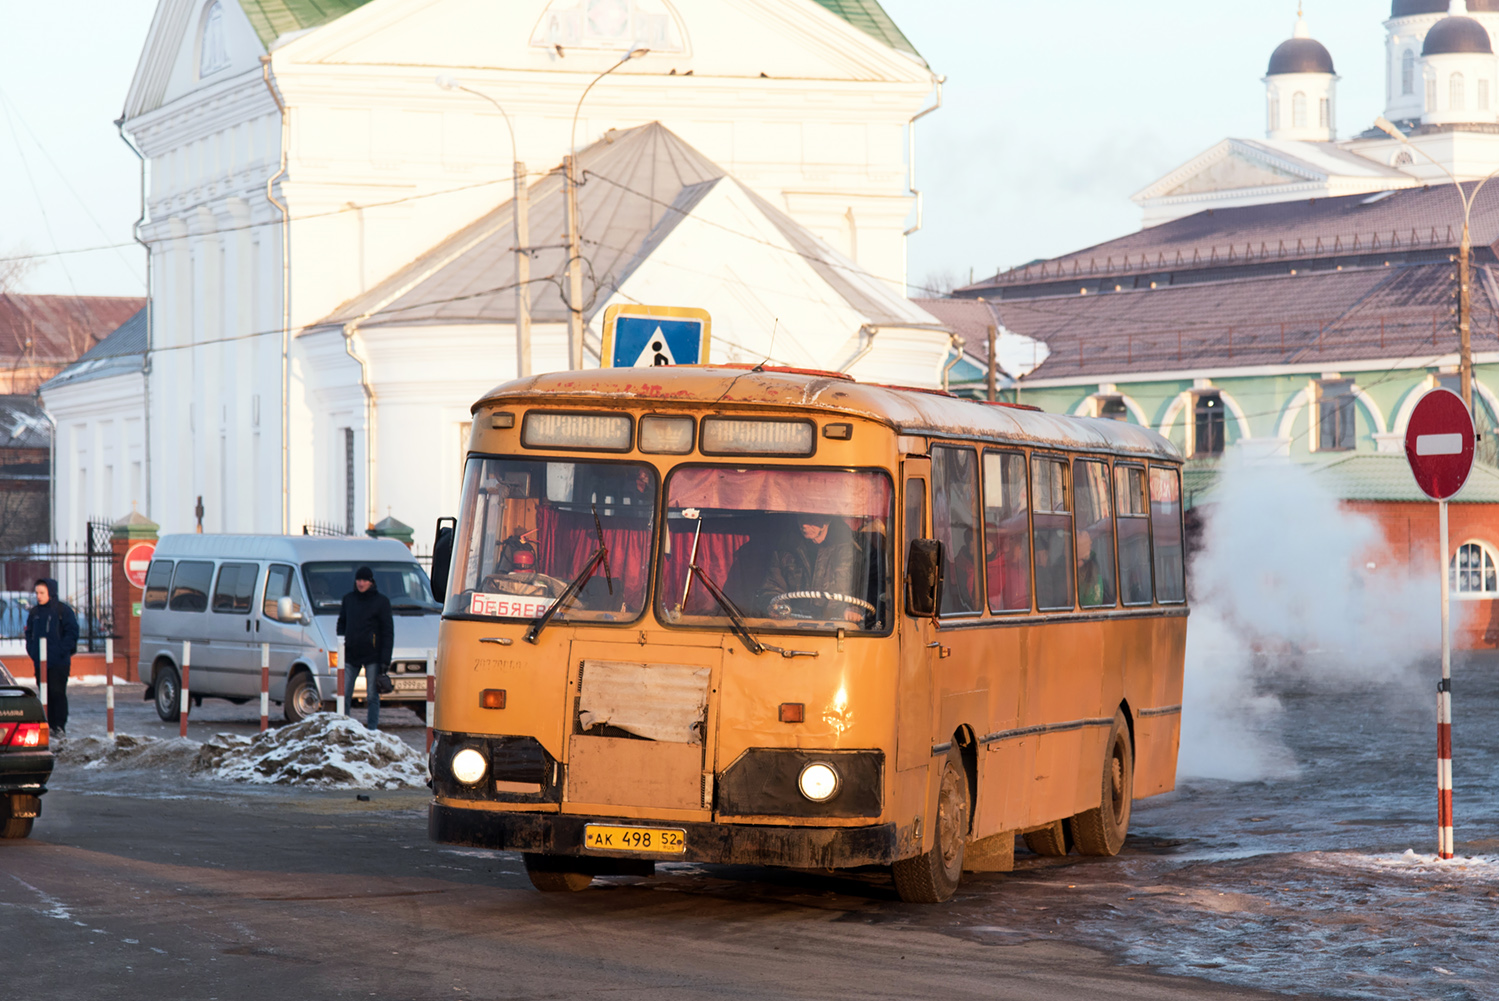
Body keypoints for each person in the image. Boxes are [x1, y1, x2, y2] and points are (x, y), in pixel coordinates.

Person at [758, 513, 864, 622]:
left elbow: (866, 588)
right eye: (801, 517)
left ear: (827, 518)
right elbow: (772, 587)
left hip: (839, 628)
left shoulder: (852, 550)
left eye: (811, 518)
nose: (804, 524)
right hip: (792, 626)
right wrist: (777, 606)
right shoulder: (785, 549)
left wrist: (854, 608)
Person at [336, 566, 393, 731]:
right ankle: (343, 725)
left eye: (364, 580)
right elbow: (342, 622)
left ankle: (372, 729)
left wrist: (385, 660)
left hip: (373, 656)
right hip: (351, 654)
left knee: (372, 696)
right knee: (344, 694)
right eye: (359, 580)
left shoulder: (381, 602)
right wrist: (342, 640)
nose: (361, 583)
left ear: (371, 582)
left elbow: (388, 632)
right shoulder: (349, 599)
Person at [24, 578, 79, 737]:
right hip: (40, 661)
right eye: (37, 593)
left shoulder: (63, 611)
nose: (39, 596)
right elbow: (29, 633)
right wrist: (32, 650)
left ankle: (59, 726)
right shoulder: (35, 613)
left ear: (51, 592)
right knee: (44, 693)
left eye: (42, 593)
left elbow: (72, 632)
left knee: (57, 692)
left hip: (59, 662)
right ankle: (47, 725)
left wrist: (62, 650)